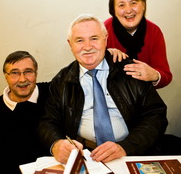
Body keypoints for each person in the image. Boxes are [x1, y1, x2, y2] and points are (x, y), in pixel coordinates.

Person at [38, 14, 168, 164]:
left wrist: (126, 146)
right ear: (70, 44)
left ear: (105, 39)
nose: (87, 47)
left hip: (132, 151)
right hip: (87, 156)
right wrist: (56, 144)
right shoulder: (61, 81)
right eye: (79, 40)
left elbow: (156, 115)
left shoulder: (130, 70)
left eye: (94, 38)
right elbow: (47, 121)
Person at [0, 51, 50, 174]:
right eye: (14, 73)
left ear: (36, 74)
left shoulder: (52, 95)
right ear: (5, 76)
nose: (22, 79)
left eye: (28, 71)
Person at [104, 0, 172, 89]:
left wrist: (154, 75)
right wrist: (105, 56)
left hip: (143, 100)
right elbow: (89, 71)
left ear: (144, 5)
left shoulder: (155, 32)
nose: (128, 10)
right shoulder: (103, 31)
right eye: (121, 5)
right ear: (113, 10)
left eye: (133, 3)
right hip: (110, 99)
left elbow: (166, 76)